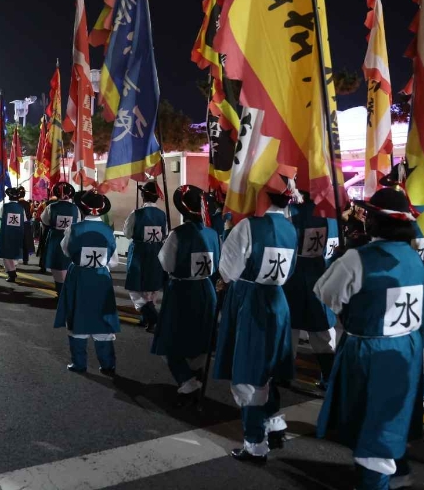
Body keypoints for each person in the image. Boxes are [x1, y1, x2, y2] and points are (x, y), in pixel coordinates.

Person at [314, 187, 424, 490]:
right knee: (388, 420)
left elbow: (326, 295)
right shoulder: (417, 261)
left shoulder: (358, 259)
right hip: (406, 352)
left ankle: (377, 482)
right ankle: (390, 472)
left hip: (368, 351)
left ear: (375, 221)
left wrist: (343, 259)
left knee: (370, 424)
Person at [213, 177, 298, 462]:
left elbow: (228, 271)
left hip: (250, 300)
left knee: (247, 376)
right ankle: (274, 421)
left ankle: (255, 444)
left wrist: (228, 233)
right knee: (267, 368)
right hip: (279, 301)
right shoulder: (290, 228)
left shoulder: (248, 226)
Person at [152, 185, 220, 407]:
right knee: (200, 337)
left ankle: (186, 379)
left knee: (170, 338)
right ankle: (195, 375)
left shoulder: (178, 234)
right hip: (206, 290)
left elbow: (167, 264)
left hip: (181, 291)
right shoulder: (212, 234)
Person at [54, 189, 120, 374]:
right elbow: (113, 261)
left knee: (78, 316)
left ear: (81, 208)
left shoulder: (74, 229)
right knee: (102, 317)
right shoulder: (108, 231)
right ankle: (108, 365)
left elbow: (66, 250)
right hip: (101, 278)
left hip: (79, 277)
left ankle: (79, 363)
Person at [285, 190, 338, 390]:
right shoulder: (331, 214)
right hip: (323, 277)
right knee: (322, 331)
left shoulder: (292, 211)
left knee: (289, 330)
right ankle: (329, 376)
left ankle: (285, 374)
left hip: (295, 277)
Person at [124, 181, 168, 332]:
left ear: (143, 195)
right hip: (156, 253)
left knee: (135, 288)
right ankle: (147, 320)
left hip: (139, 253)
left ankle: (153, 318)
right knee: (151, 288)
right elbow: (165, 233)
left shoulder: (136, 214)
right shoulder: (162, 215)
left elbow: (127, 233)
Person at [41, 183, 80, 296]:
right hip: (71, 239)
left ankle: (60, 290)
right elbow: (78, 221)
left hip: (55, 239)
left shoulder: (51, 207)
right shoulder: (75, 208)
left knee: (56, 264)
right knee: (69, 264)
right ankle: (67, 289)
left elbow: (45, 221)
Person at [0, 187, 27, 283]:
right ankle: (13, 270)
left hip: (6, 233)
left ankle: (11, 273)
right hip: (18, 233)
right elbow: (24, 220)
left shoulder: (4, 207)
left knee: (6, 253)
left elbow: (1, 217)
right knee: (15, 253)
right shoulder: (21, 208)